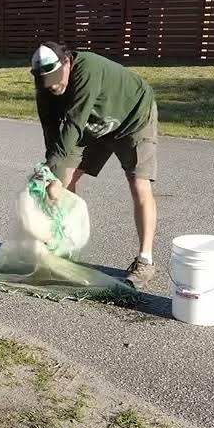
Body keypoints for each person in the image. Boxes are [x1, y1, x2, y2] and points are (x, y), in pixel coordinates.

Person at [31, 41, 160, 287]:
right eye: (47, 80)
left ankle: (145, 262)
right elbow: (51, 131)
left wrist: (50, 171)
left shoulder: (87, 70)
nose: (54, 85)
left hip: (133, 117)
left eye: (57, 77)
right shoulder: (45, 87)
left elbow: (73, 124)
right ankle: (65, 244)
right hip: (95, 123)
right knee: (62, 181)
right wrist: (51, 173)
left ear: (67, 62)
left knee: (138, 184)